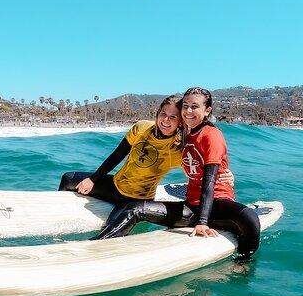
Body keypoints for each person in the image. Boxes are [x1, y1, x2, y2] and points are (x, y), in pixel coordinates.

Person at [91, 88, 260, 263]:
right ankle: (96, 246)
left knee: (250, 218)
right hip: (191, 208)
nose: (188, 111)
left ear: (207, 110)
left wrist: (202, 221)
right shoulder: (186, 135)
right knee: (135, 208)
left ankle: (243, 263)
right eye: (185, 106)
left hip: (216, 207)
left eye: (195, 107)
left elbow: (209, 182)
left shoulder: (212, 135)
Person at [59, 95, 233, 227]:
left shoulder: (178, 149)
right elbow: (116, 156)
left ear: (180, 123)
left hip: (136, 199)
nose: (166, 120)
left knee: (111, 228)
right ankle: (57, 211)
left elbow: (199, 170)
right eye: (163, 114)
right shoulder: (141, 128)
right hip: (115, 185)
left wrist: (223, 176)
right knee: (68, 178)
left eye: (173, 117)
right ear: (157, 114)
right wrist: (93, 179)